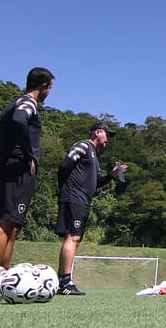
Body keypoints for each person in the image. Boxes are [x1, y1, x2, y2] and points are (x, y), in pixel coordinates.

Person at [0, 67, 55, 268]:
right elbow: (19, 120)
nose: (49, 92)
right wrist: (28, 154)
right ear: (43, 87)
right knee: (5, 223)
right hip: (17, 167)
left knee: (13, 225)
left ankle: (2, 276)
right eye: (49, 88)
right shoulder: (27, 102)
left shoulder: (15, 103)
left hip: (9, 165)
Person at [55, 123, 127, 295]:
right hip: (74, 197)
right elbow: (64, 166)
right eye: (107, 135)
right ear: (97, 132)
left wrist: (111, 176)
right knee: (72, 237)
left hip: (83, 199)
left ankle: (63, 280)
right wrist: (65, 188)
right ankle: (64, 282)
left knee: (75, 238)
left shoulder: (94, 155)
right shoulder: (83, 145)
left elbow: (96, 184)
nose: (107, 139)